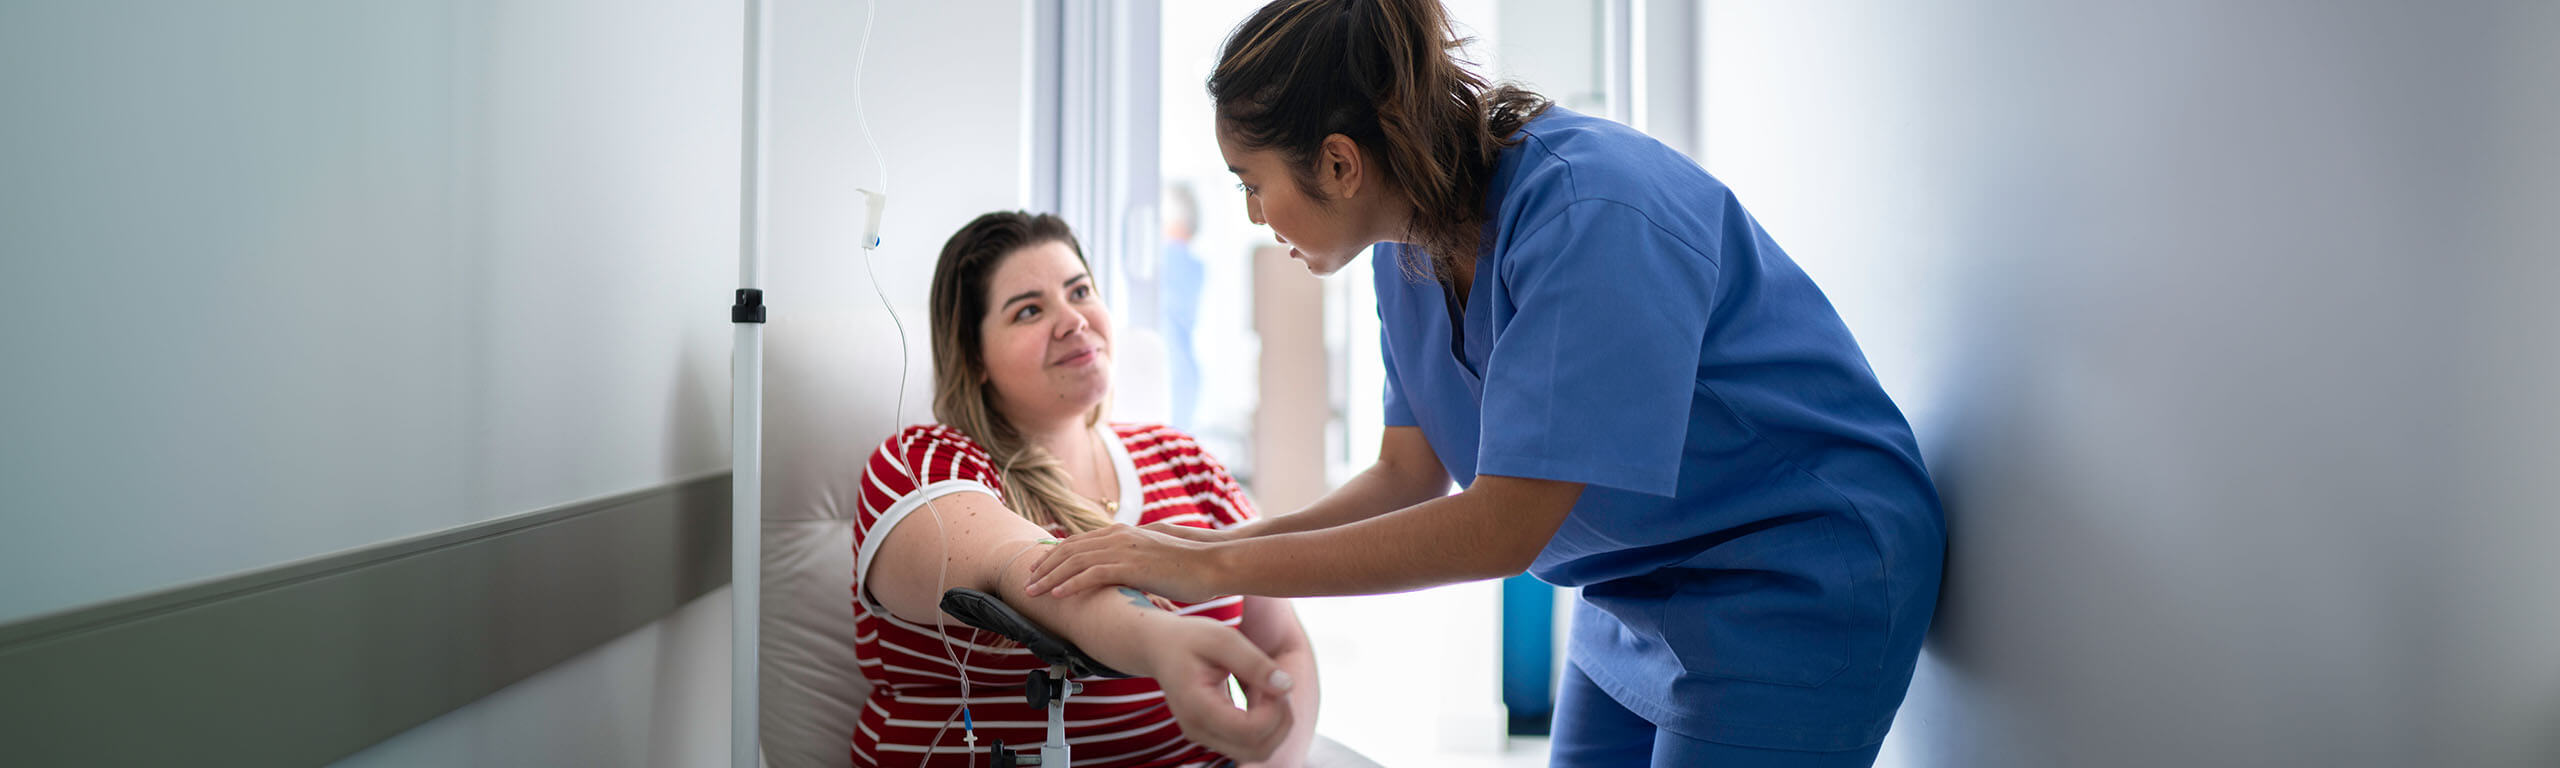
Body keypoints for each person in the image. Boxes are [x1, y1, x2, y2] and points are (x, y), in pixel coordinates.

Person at [1025, 1, 1947, 766]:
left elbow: (1503, 527)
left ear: (1341, 164)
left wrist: (1206, 565)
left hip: (1795, 574)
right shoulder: (1405, 245)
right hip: (1635, 584)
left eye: (1251, 183)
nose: (1255, 214)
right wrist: (1212, 547)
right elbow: (1406, 478)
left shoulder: (1591, 213)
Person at [853, 212, 1314, 767]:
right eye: (1029, 310)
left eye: (1080, 292)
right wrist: (1162, 643)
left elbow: (1283, 642)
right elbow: (1019, 566)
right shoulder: (921, 462)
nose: (1072, 321)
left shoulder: (1185, 460)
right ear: (975, 358)